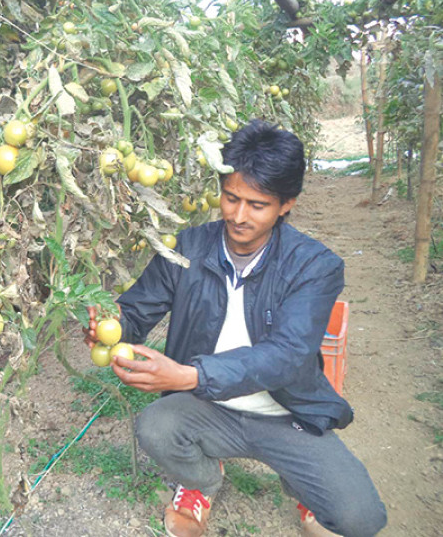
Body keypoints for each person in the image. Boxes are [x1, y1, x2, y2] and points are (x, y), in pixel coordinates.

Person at [83, 120, 386, 537]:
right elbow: (136, 313)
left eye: (257, 205)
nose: (238, 216)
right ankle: (202, 482)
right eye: (230, 198)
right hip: (208, 406)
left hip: (284, 413)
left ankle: (300, 482)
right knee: (155, 425)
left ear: (286, 205)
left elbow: (287, 355)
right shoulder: (187, 250)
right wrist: (111, 323)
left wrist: (191, 375)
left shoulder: (315, 266)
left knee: (361, 520)